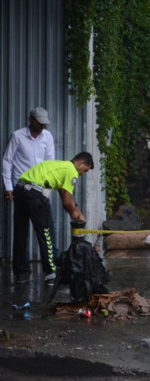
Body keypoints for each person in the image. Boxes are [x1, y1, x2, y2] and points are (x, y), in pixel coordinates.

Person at [12, 152, 93, 285]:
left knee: (20, 233)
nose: (82, 174)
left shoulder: (60, 166)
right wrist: (74, 214)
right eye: (84, 170)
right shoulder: (71, 170)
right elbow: (67, 202)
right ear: (80, 164)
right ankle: (51, 274)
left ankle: (21, 274)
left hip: (20, 189)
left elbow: (64, 194)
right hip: (35, 194)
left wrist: (76, 210)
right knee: (46, 233)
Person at [3, 108, 57, 278]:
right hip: (20, 189)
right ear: (30, 119)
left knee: (46, 229)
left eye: (43, 123)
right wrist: (8, 187)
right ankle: (21, 272)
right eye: (38, 122)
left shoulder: (47, 137)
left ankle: (51, 270)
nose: (41, 126)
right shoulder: (17, 136)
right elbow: (7, 161)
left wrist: (47, 193)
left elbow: (50, 166)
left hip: (40, 190)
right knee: (20, 230)